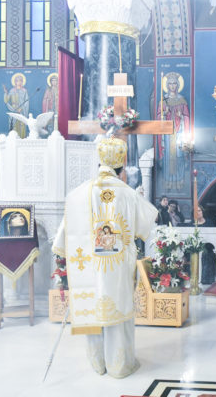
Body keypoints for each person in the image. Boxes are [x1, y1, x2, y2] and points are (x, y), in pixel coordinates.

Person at [52, 137, 158, 378]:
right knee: (118, 313)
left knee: (92, 308)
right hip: (117, 269)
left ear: (99, 163)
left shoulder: (78, 195)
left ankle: (97, 363)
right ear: (121, 166)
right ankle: (119, 365)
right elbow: (146, 225)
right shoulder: (128, 194)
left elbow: (61, 241)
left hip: (87, 266)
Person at [156, 72, 190, 191]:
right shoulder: (163, 100)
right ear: (167, 85)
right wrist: (163, 115)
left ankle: (179, 181)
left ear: (178, 85)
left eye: (174, 83)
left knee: (179, 156)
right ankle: (168, 182)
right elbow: (158, 118)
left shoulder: (182, 100)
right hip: (167, 134)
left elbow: (187, 118)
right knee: (167, 157)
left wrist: (181, 116)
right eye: (170, 83)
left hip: (179, 132)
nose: (172, 86)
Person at [3, 73, 29, 138]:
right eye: (17, 81)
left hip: (22, 111)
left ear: (22, 82)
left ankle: (22, 140)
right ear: (15, 82)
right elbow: (6, 101)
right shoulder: (12, 90)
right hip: (14, 110)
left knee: (22, 125)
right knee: (14, 126)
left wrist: (22, 109)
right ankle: (14, 140)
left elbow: (26, 102)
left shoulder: (24, 91)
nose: (19, 82)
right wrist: (6, 93)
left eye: (20, 81)